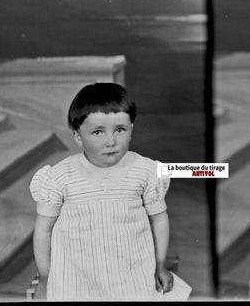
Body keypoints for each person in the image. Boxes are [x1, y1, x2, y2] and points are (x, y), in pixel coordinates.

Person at [30, 82, 173, 301]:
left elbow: (159, 220)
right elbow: (43, 230)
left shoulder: (146, 171)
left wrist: (160, 265)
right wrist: (45, 277)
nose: (111, 141)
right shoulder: (59, 177)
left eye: (120, 130)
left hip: (131, 276)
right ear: (78, 136)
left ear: (131, 129)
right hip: (77, 279)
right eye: (97, 132)